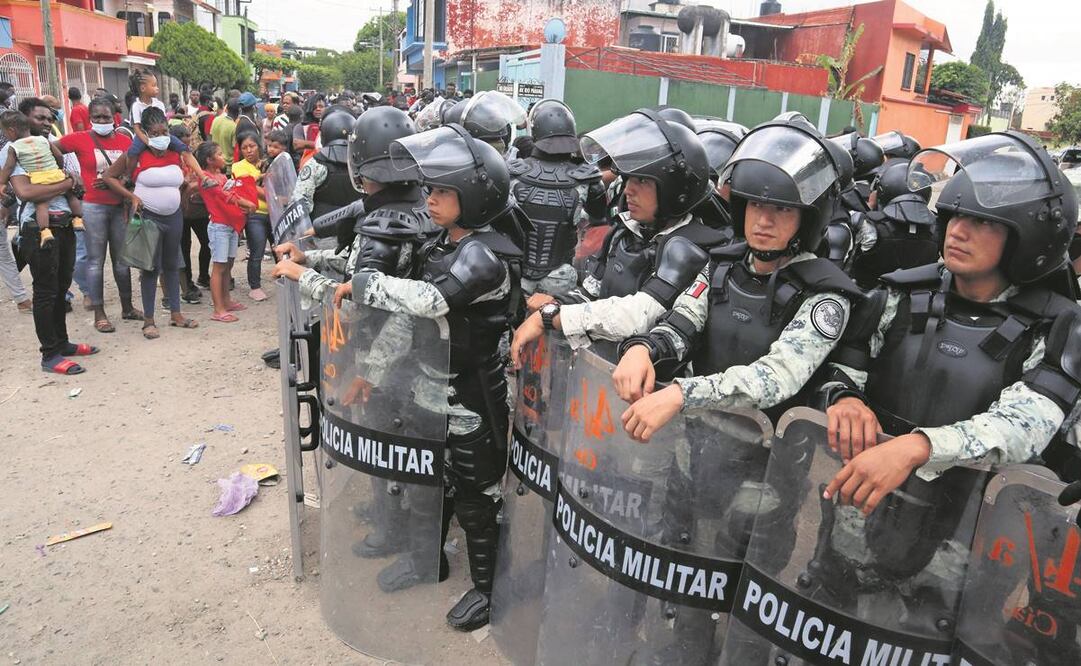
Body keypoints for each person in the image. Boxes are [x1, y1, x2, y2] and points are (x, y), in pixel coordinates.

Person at [821, 131, 1081, 513]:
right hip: (864, 507)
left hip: (972, 533)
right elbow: (843, 366)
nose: (958, 230)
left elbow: (1024, 426)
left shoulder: (1057, 328)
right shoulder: (900, 294)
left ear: (1029, 235)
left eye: (983, 222)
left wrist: (918, 446)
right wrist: (843, 397)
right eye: (955, 214)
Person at [330, 124, 525, 632]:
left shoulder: (486, 255)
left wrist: (365, 283)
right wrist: (370, 371)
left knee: (477, 498)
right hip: (425, 386)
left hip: (471, 396)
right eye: (430, 189)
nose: (430, 199)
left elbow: (432, 301)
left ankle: (488, 589)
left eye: (442, 191)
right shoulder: (439, 243)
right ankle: (426, 560)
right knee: (426, 482)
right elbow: (412, 320)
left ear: (475, 195)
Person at [510, 108, 726, 363]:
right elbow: (591, 291)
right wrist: (556, 302)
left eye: (643, 181)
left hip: (652, 384)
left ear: (674, 189)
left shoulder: (688, 247)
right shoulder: (625, 233)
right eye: (629, 179)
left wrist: (553, 316)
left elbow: (640, 314)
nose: (629, 190)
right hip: (601, 371)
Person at [101, 106, 198, 339]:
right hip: (148, 218)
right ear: (144, 132)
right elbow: (108, 177)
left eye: (164, 131)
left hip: (174, 217)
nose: (161, 136)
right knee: (150, 269)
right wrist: (131, 196)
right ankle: (148, 320)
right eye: (154, 133)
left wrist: (184, 195)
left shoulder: (175, 152)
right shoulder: (135, 155)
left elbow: (182, 180)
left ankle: (176, 314)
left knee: (173, 265)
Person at [10, 121, 94, 374]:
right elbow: (25, 191)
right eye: (39, 118)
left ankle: (62, 343)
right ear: (24, 121)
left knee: (61, 286)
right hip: (37, 229)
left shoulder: (49, 148)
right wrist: (66, 184)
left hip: (65, 223)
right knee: (46, 291)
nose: (46, 122)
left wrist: (69, 183)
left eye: (49, 117)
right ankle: (49, 355)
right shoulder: (15, 151)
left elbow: (77, 182)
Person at [56, 97, 142, 332]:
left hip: (119, 205)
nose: (102, 121)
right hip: (93, 206)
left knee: (122, 261)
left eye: (106, 117)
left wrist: (120, 180)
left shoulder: (126, 140)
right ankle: (100, 313)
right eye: (97, 117)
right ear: (90, 119)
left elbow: (134, 167)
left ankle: (127, 307)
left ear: (114, 117)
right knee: (95, 261)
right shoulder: (80, 139)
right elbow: (53, 148)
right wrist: (71, 176)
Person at [507, 99, 605, 301]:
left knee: (512, 328)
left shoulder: (512, 173)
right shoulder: (587, 178)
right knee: (550, 326)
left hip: (516, 272)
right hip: (560, 275)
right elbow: (599, 218)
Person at [0, 111, 83, 251]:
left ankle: (44, 231)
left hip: (38, 179)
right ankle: (78, 219)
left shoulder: (13, 147)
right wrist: (60, 170)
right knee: (70, 195)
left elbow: (9, 167)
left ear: (11, 131)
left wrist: (2, 182)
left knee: (41, 205)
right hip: (55, 174)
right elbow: (58, 156)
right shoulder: (43, 140)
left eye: (4, 133)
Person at [195, 141, 257, 322]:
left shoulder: (220, 176)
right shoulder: (206, 178)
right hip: (219, 226)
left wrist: (244, 202)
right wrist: (247, 203)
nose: (224, 157)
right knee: (219, 266)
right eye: (220, 154)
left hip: (229, 225)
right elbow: (224, 196)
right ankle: (218, 309)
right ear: (209, 159)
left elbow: (232, 194)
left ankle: (226, 302)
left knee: (227, 265)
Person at [124, 70, 208, 183]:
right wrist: (148, 142)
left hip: (162, 133)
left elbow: (164, 124)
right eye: (153, 85)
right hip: (144, 135)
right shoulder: (136, 106)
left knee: (184, 149)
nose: (157, 88)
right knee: (132, 152)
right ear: (143, 88)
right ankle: (128, 175)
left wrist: (166, 137)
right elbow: (137, 128)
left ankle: (202, 176)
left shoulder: (159, 104)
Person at [288, 110, 355, 224]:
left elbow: (300, 202)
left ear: (324, 135)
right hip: (356, 230)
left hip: (320, 231)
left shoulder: (315, 164)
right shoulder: (360, 163)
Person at [171, 123, 208, 302]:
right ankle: (188, 285)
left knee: (207, 243)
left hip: (197, 209)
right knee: (184, 248)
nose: (189, 139)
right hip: (180, 210)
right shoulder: (171, 159)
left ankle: (202, 277)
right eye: (186, 136)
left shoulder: (191, 156)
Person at [232, 131, 271, 301]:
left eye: (252, 146)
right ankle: (255, 286)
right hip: (255, 215)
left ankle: (286, 279)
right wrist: (264, 179)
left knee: (280, 249)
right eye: (244, 148)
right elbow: (250, 187)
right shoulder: (238, 167)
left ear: (259, 146)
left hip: (275, 214)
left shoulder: (269, 163)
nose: (249, 151)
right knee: (257, 251)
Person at [293, 94, 324, 165]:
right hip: (306, 164)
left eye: (321, 107)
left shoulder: (328, 126)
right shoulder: (301, 126)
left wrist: (306, 144)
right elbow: (297, 144)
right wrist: (321, 146)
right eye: (315, 107)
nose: (318, 109)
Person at [210, 97, 240, 170]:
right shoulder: (234, 127)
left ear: (227, 109)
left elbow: (210, 136)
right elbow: (235, 148)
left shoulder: (216, 119)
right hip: (227, 167)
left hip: (215, 163)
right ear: (239, 111)